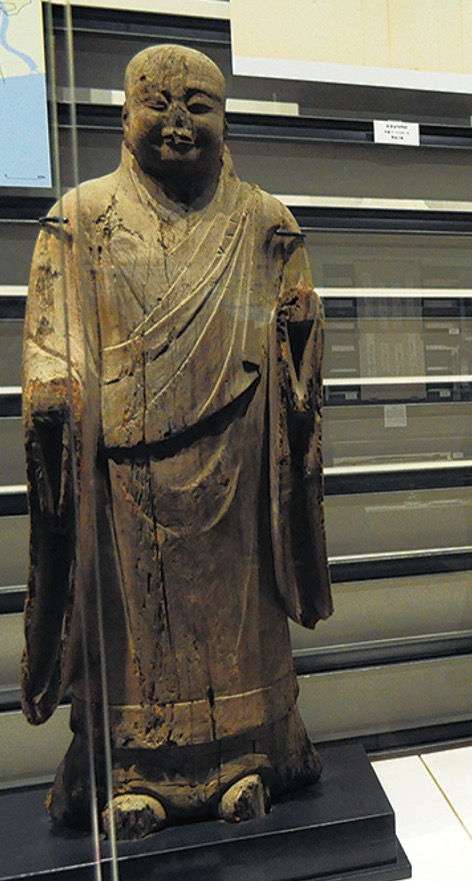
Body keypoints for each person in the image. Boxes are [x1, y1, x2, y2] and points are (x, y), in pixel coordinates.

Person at [21, 44, 331, 839]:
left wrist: (299, 337)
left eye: (199, 104)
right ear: (123, 115)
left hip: (239, 458)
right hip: (123, 470)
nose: (179, 121)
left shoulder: (266, 222)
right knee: (133, 626)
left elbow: (300, 340)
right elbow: (53, 338)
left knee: (236, 616)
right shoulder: (80, 216)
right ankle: (134, 769)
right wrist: (56, 392)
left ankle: (249, 755)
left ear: (227, 119)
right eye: (157, 103)